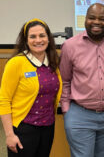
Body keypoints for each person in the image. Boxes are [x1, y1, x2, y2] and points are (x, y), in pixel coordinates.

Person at [59, 3, 104, 157]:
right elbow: (65, 80)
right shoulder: (69, 46)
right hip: (79, 114)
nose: (97, 22)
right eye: (92, 18)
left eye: (102, 19)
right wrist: (66, 110)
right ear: (85, 20)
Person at [0, 18, 62, 157]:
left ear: (48, 38)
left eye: (42, 35)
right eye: (32, 36)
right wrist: (9, 135)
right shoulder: (16, 63)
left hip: (47, 128)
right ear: (26, 40)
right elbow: (3, 100)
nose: (38, 40)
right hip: (23, 129)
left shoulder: (53, 61)